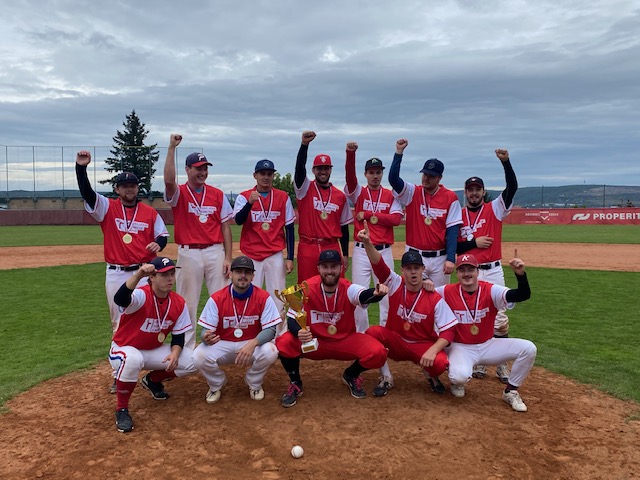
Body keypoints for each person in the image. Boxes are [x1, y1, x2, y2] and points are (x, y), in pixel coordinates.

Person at [75, 150, 169, 393]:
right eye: (125, 186)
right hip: (117, 273)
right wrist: (81, 168)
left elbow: (162, 235)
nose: (129, 189)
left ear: (138, 188)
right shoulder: (107, 207)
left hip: (145, 273)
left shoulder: (149, 212)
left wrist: (158, 244)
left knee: (150, 319)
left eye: (133, 185)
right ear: (117, 189)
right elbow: (87, 193)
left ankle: (151, 375)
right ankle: (119, 374)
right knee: (119, 322)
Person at [275, 249, 388, 408]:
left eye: (334, 266)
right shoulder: (306, 287)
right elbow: (292, 317)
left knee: (378, 352)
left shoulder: (348, 288)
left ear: (341, 268)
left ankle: (351, 375)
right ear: (318, 268)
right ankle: (295, 382)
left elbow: (363, 295)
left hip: (344, 341)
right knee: (284, 342)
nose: (329, 271)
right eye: (325, 266)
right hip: (315, 342)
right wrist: (299, 331)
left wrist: (376, 293)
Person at [357, 221, 458, 396]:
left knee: (440, 363)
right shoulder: (396, 283)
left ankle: (431, 374)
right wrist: (367, 243)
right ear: (402, 270)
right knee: (373, 333)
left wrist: (433, 350)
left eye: (416, 268)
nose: (413, 272)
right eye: (409, 268)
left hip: (422, 345)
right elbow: (379, 266)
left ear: (423, 269)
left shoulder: (433, 296)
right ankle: (386, 377)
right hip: (397, 341)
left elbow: (449, 331)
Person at [434, 253, 536, 412]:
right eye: (462, 270)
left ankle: (510, 391)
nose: (466, 274)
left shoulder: (490, 290)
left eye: (470, 270)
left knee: (528, 348)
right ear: (457, 273)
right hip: (461, 347)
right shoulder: (446, 291)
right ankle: (457, 382)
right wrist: (425, 284)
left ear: (478, 271)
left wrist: (520, 275)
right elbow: (421, 294)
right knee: (459, 376)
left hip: (487, 345)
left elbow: (522, 295)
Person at [109, 257, 197, 433]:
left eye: (172, 274)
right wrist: (138, 274)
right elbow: (120, 299)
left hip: (152, 350)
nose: (170, 278)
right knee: (133, 359)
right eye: (164, 275)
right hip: (123, 349)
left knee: (194, 360)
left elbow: (178, 337)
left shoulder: (178, 302)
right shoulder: (142, 295)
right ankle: (122, 409)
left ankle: (152, 380)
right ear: (152, 277)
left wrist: (175, 353)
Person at [163, 134, 233, 349]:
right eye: (198, 168)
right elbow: (168, 181)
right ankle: (186, 347)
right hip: (189, 252)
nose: (203, 172)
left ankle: (224, 342)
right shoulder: (180, 193)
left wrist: (228, 257)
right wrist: (171, 148)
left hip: (215, 251)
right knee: (187, 301)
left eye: (205, 168)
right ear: (187, 169)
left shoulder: (217, 194)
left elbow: (225, 226)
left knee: (222, 298)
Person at [457, 148, 518, 383]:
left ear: (483, 192)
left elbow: (512, 187)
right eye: (470, 190)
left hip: (492, 270)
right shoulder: (459, 214)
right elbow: (453, 246)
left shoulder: (495, 208)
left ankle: (501, 364)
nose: (474, 193)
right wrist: (474, 242)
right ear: (466, 192)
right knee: (473, 317)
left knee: (499, 319)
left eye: (478, 189)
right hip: (468, 273)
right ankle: (481, 361)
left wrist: (506, 162)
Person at [193, 256, 282, 403]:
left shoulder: (263, 297)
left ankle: (254, 382)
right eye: (238, 271)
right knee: (198, 356)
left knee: (270, 351)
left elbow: (271, 330)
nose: (243, 275)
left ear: (253, 276)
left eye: (247, 272)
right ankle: (217, 383)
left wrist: (253, 343)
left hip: (250, 343)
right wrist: (205, 337)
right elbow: (204, 331)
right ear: (230, 274)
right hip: (223, 343)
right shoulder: (217, 298)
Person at [344, 142, 403, 332]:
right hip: (361, 252)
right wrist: (350, 154)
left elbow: (396, 219)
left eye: (378, 172)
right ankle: (361, 335)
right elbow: (350, 178)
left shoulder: (390, 195)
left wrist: (369, 215)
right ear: (365, 174)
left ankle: (385, 335)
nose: (375, 176)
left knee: (387, 295)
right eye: (371, 172)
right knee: (360, 294)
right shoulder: (359, 193)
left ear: (382, 174)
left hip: (383, 251)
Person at [388, 139, 462, 287]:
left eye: (431, 176)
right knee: (413, 294)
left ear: (440, 177)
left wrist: (450, 259)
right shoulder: (412, 192)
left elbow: (453, 230)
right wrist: (398, 153)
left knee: (439, 296)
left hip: (439, 257)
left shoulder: (450, 197)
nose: (426, 178)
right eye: (425, 174)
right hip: (415, 255)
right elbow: (393, 179)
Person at [233, 159, 296, 311]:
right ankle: (250, 325)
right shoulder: (244, 196)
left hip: (274, 254)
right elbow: (238, 221)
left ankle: (279, 327)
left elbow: (289, 228)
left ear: (273, 176)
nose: (266, 177)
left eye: (269, 174)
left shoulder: (283, 197)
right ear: (255, 175)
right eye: (262, 173)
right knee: (250, 296)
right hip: (252, 255)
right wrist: (249, 203)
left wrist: (289, 257)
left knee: (278, 297)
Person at [294, 131, 352, 283]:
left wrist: (345, 254)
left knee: (335, 286)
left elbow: (344, 227)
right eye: (319, 168)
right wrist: (304, 145)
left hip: (331, 245)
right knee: (306, 288)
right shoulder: (305, 188)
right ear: (313, 170)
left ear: (330, 170)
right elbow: (299, 169)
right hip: (308, 246)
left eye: (326, 168)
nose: (323, 171)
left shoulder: (340, 196)